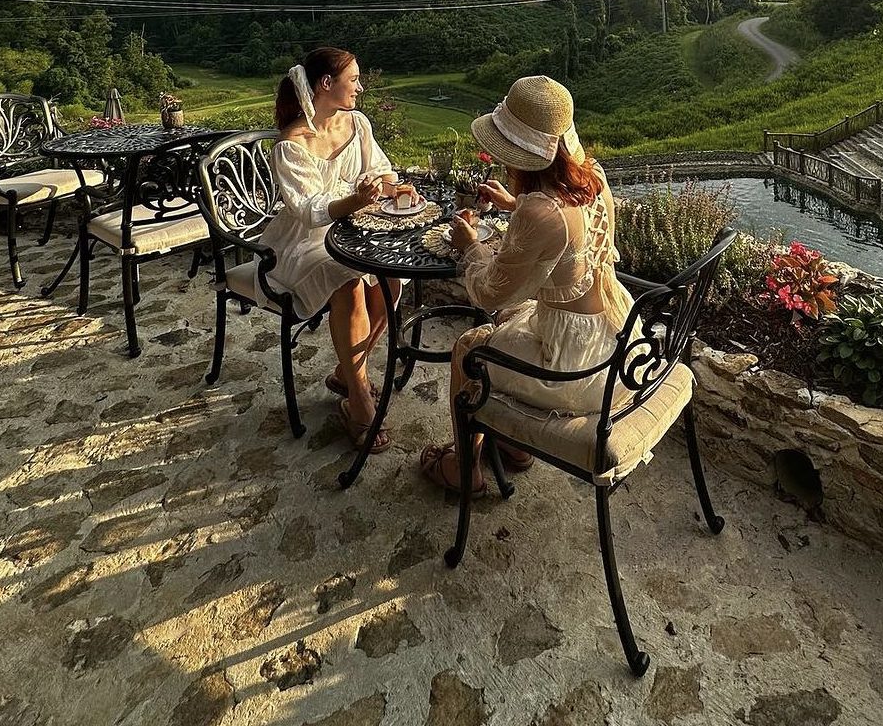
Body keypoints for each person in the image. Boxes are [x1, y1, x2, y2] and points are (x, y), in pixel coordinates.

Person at [419, 75, 634, 495]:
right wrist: (513, 203)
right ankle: (513, 446)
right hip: (615, 337)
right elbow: (566, 225)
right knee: (509, 319)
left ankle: (463, 467)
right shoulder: (593, 176)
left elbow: (488, 291)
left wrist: (469, 245)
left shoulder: (540, 212)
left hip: (576, 368)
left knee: (468, 348)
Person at [265, 46, 414, 449]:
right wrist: (356, 200)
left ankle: (345, 373)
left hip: (353, 231)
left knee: (391, 280)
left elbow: (380, 170)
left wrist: (393, 187)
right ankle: (359, 398)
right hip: (302, 241)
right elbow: (310, 211)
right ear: (326, 83)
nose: (360, 88)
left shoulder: (358, 123)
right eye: (354, 80)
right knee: (348, 282)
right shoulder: (290, 145)